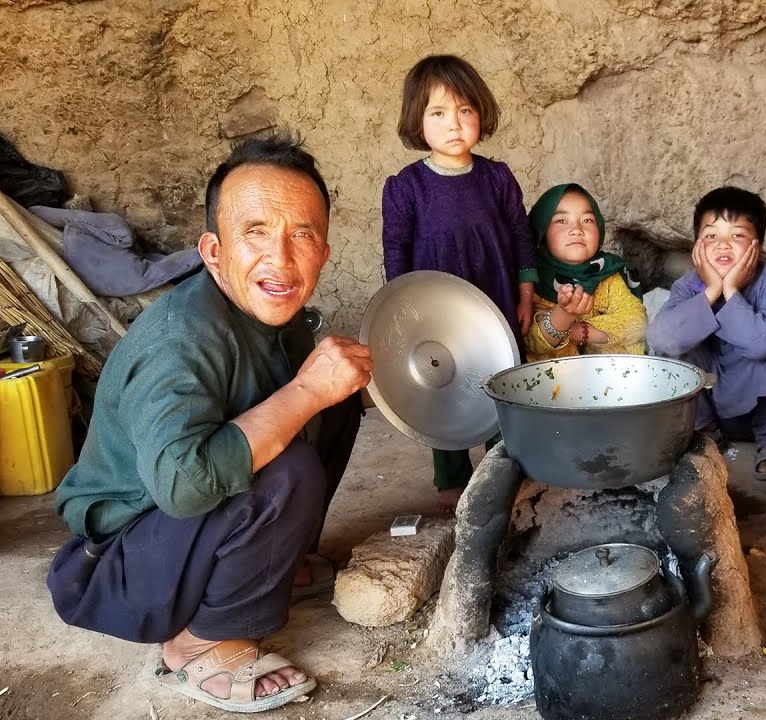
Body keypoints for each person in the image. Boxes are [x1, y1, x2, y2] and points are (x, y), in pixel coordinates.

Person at [45, 133, 371, 712]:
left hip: (177, 540)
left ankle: (270, 566)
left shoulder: (275, 315)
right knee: (288, 453)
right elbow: (183, 484)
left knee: (336, 397)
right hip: (118, 569)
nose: (281, 257)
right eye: (255, 232)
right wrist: (304, 391)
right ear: (214, 251)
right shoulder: (182, 338)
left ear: (324, 250)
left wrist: (322, 390)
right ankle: (199, 641)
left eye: (303, 234)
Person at [381, 54, 536, 510]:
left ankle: (502, 468)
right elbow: (397, 252)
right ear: (417, 120)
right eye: (438, 112)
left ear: (481, 114)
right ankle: (450, 477)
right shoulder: (405, 188)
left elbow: (520, 235)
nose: (454, 124)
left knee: (500, 379)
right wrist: (406, 317)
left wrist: (526, 292)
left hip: (497, 302)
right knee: (442, 384)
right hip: (437, 314)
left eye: (465, 110)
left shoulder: (496, 178)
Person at [648, 187, 766, 481]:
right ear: (696, 245)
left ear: (756, 247)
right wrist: (711, 291)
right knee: (672, 348)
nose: (723, 245)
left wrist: (731, 290)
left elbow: (762, 344)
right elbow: (662, 340)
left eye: (737, 236)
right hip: (708, 412)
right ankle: (706, 433)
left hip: (760, 409)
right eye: (711, 236)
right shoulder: (689, 285)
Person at [523, 183, 646, 360]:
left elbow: (637, 322)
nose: (576, 230)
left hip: (610, 381)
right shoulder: (530, 279)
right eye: (561, 221)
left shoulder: (608, 274)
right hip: (553, 384)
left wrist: (577, 330)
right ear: (541, 231)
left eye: (587, 220)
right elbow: (531, 342)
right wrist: (564, 314)